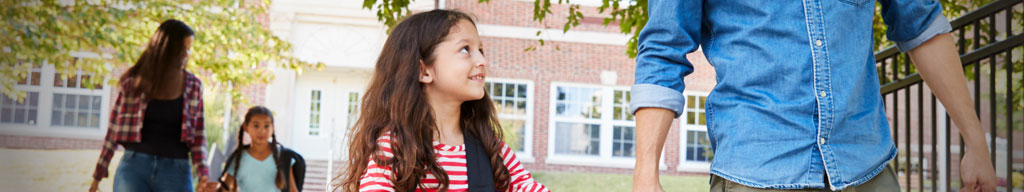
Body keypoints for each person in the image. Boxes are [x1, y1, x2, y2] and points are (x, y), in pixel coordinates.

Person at [630, 0, 998, 191]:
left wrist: (976, 143)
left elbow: (922, 23)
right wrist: (645, 176)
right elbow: (664, 48)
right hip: (757, 175)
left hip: (866, 171)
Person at [338, 9, 549, 192]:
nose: (482, 61)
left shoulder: (490, 147)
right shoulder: (395, 147)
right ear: (423, 70)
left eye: (481, 50)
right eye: (465, 49)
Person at [90, 19, 217, 192]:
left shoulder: (193, 86)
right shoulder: (133, 83)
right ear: (169, 49)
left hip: (176, 171)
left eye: (189, 48)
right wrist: (98, 176)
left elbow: (198, 136)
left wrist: (203, 174)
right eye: (184, 48)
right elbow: (113, 131)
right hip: (134, 168)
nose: (188, 54)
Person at [217, 106, 300, 192]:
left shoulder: (283, 157)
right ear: (246, 127)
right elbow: (224, 189)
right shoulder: (238, 158)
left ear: (273, 128)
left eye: (266, 126)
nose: (262, 131)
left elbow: (293, 190)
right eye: (256, 126)